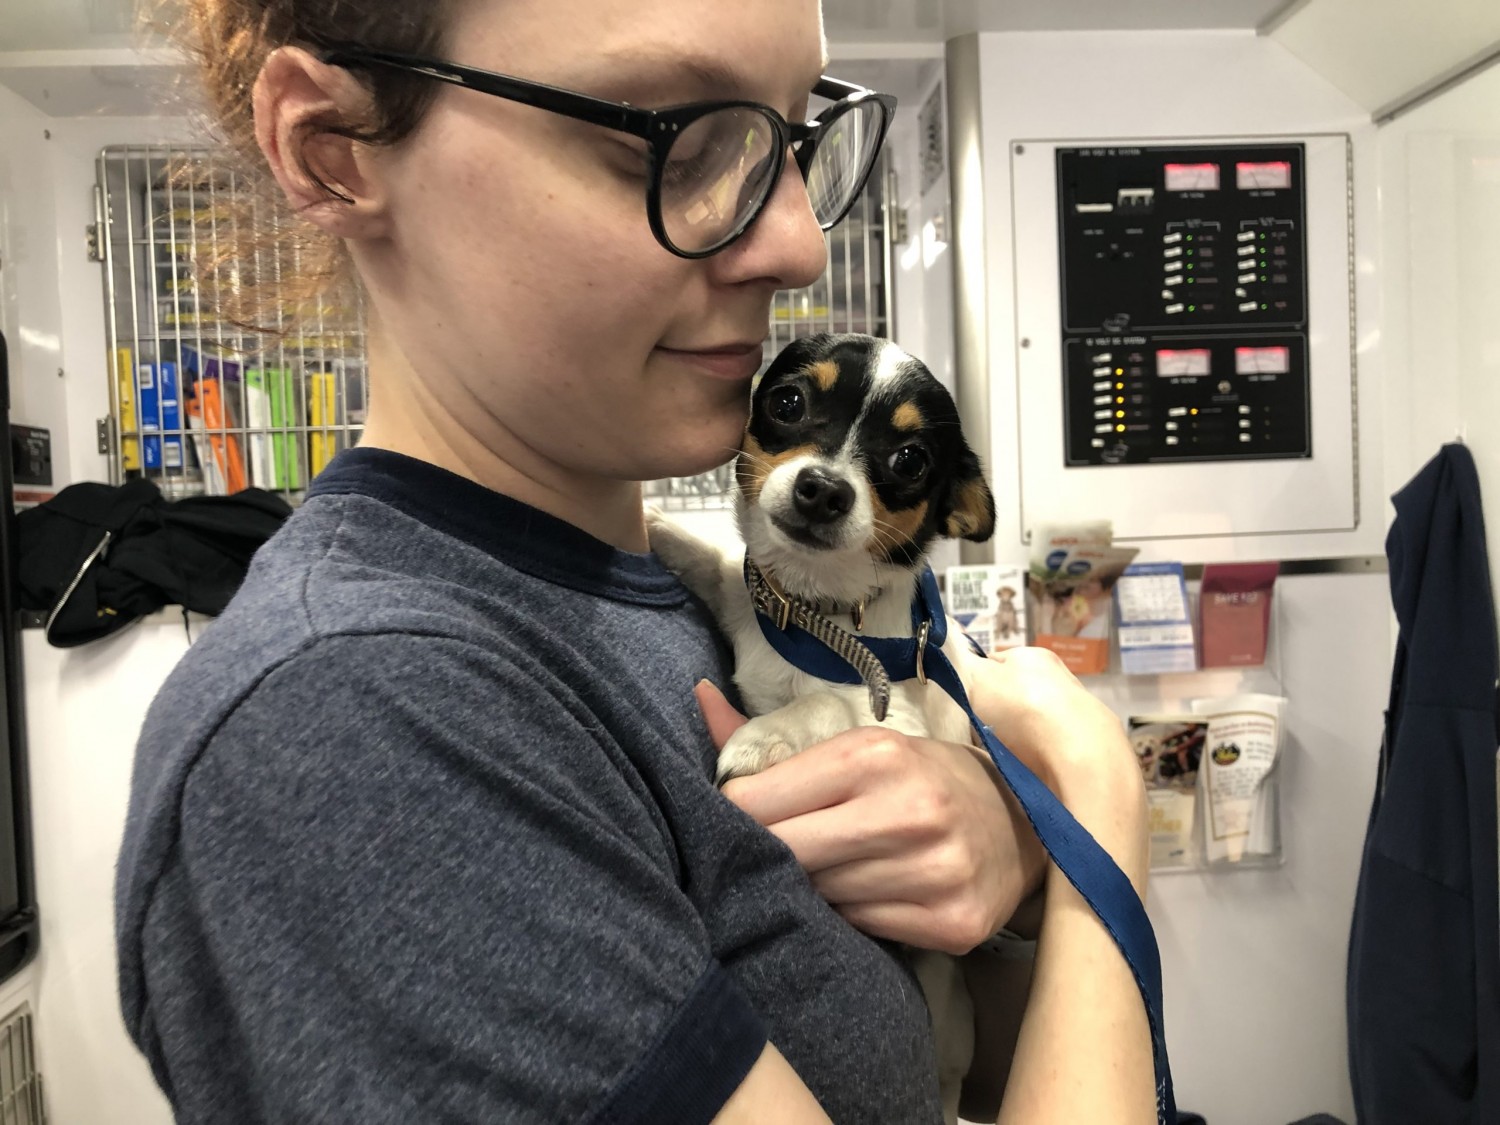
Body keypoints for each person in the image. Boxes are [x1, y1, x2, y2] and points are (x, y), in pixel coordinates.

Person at [114, 1, 1155, 1122]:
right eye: (672, 133)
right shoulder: (355, 716)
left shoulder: (676, 597)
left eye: (791, 143)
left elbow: (998, 1079)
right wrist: (1095, 806)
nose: (800, 240)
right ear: (331, 147)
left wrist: (1011, 879)